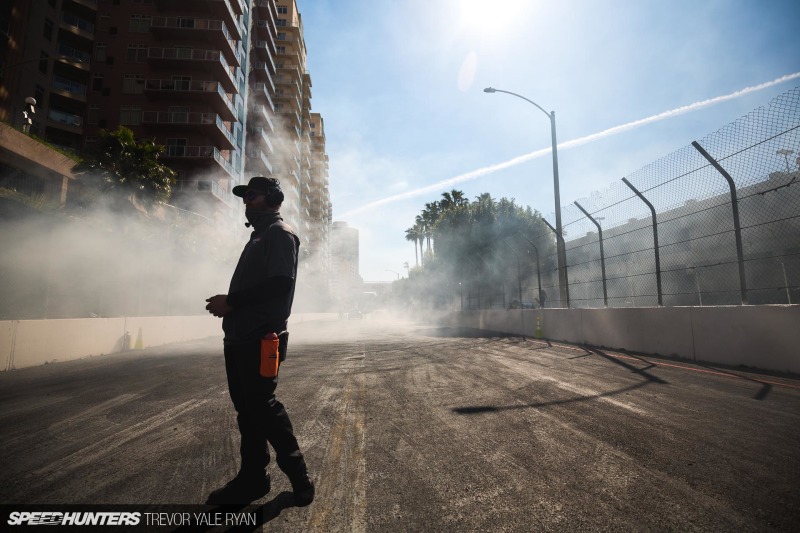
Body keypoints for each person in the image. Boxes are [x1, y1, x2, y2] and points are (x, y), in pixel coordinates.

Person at [204, 176, 314, 506]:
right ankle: (253, 480)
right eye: (244, 196)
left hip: (260, 337)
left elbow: (280, 283)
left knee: (264, 408)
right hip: (238, 338)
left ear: (271, 198)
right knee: (247, 412)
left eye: (251, 195)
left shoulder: (279, 234)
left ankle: (299, 477)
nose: (245, 201)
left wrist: (232, 301)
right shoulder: (258, 237)